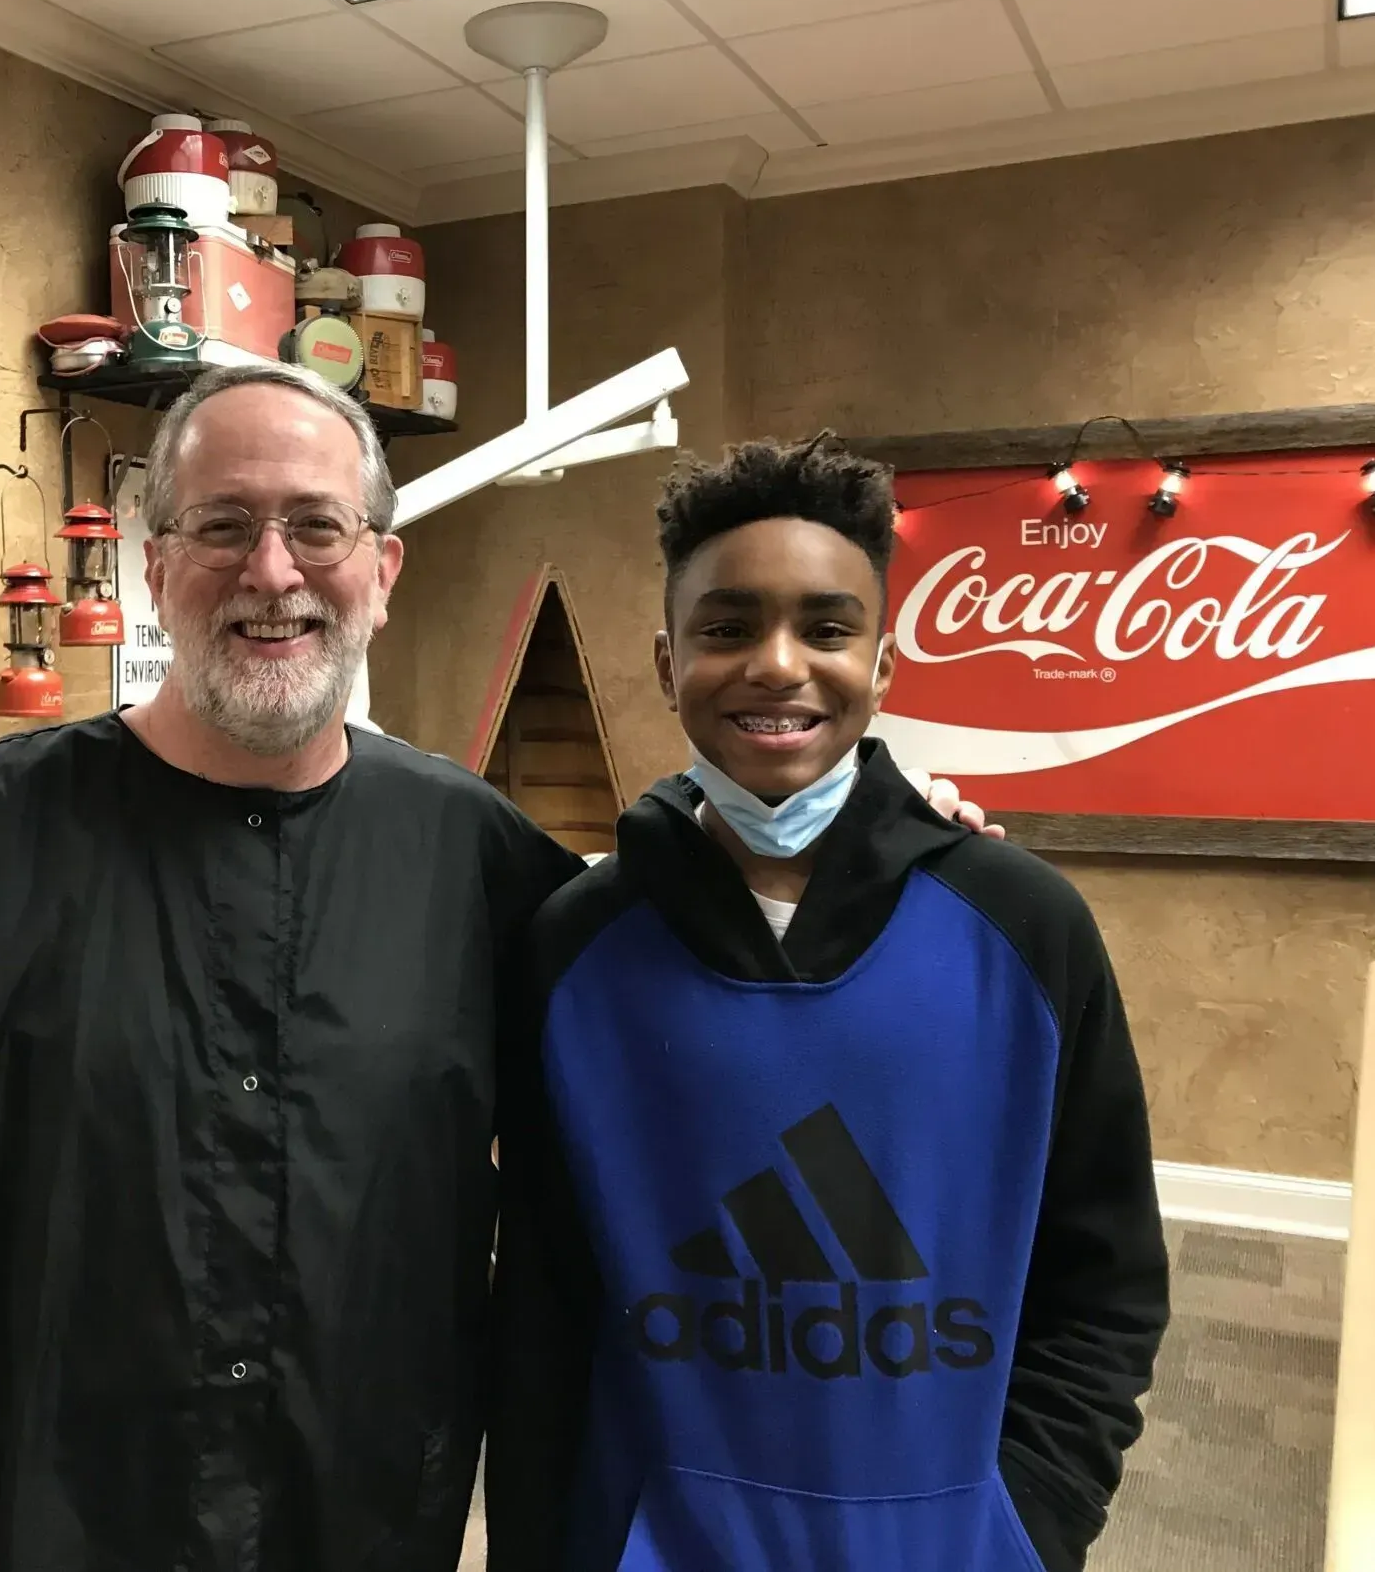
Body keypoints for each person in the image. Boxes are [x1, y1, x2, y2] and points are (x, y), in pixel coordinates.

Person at [0, 366, 1003, 1571]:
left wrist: (872, 832)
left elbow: (716, 987)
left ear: (382, 571)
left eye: (316, 529)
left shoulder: (484, 864)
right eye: (222, 527)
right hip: (16, 1519)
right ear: (157, 567)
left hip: (356, 1517)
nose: (272, 573)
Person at [485, 435, 1170, 1572]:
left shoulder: (1027, 929)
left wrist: (1028, 1519)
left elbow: (1103, 1279)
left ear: (884, 665)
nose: (778, 664)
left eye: (828, 627)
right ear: (665, 662)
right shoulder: (575, 949)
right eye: (727, 627)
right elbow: (547, 1312)